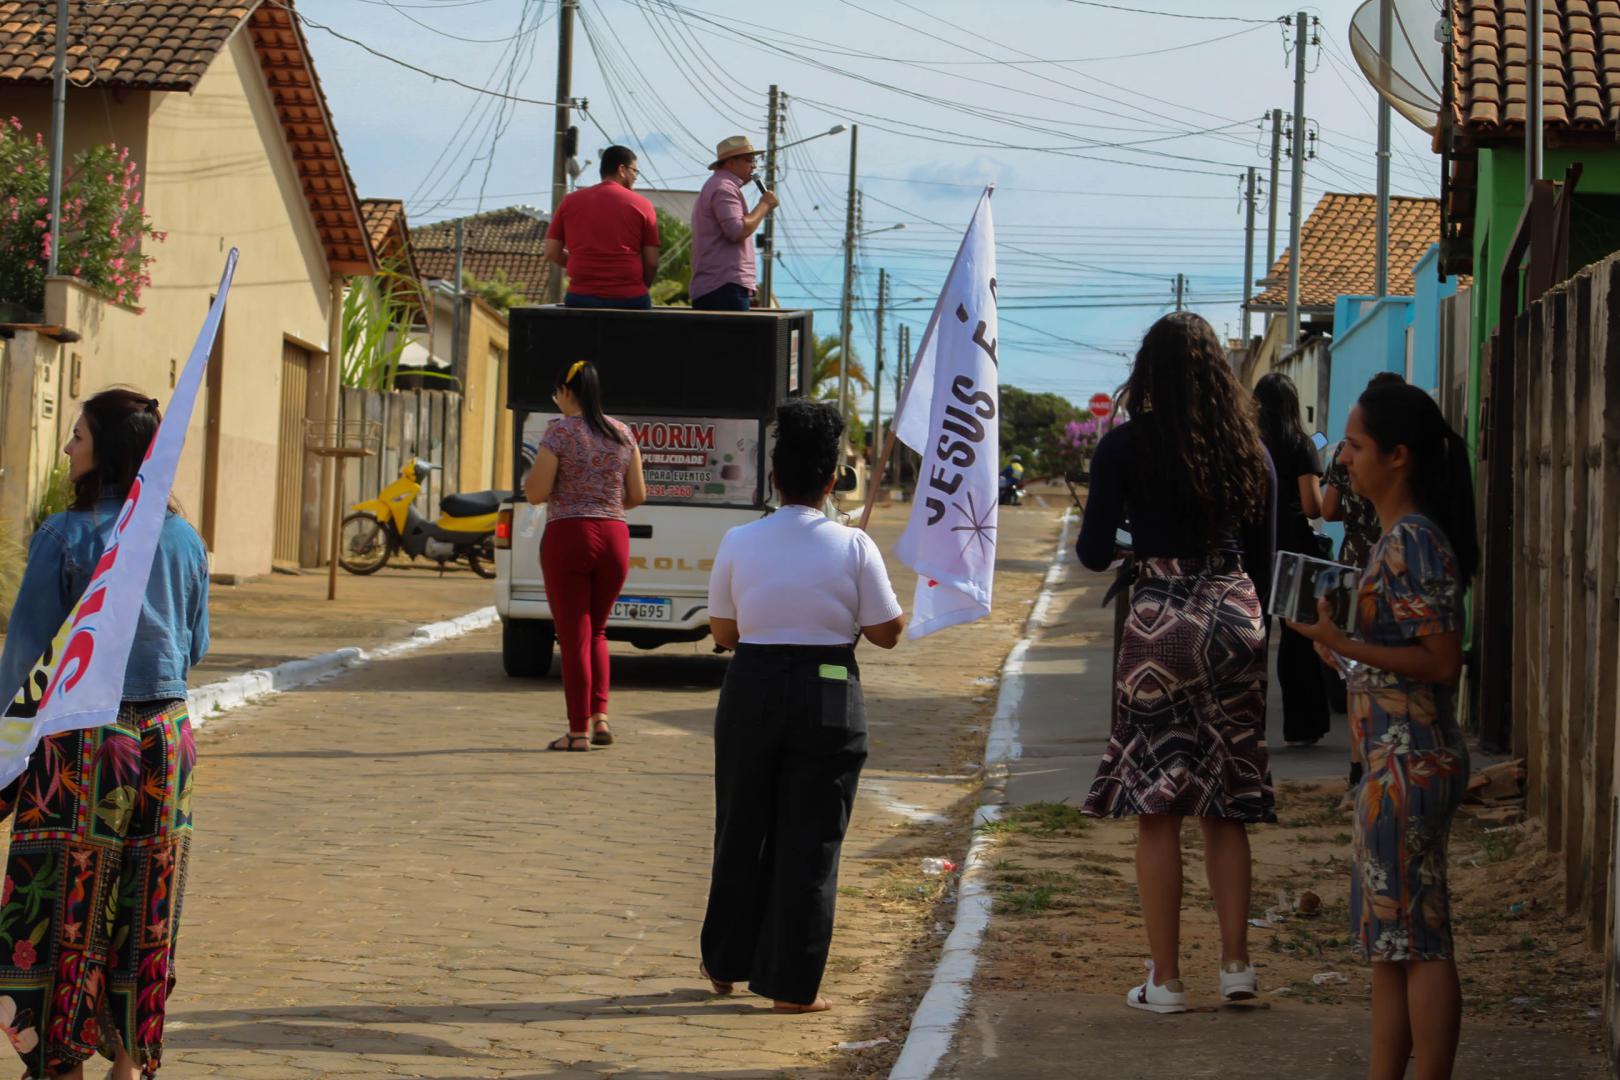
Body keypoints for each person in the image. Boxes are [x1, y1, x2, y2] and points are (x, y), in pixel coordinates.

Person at [0, 388, 209, 1080]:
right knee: (147, 904)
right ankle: (129, 1062)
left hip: (84, 744)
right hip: (168, 740)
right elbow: (195, 646)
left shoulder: (65, 536)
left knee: (64, 907)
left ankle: (59, 1064)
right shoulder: (184, 539)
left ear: (108, 452)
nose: (67, 450)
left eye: (78, 437)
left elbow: (26, 658)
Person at [1076, 312, 1276, 1014]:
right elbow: (1265, 558)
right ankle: (1237, 966)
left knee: (1158, 806)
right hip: (1235, 617)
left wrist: (1138, 538)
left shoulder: (1124, 446)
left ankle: (1164, 980)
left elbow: (1093, 552)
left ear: (1148, 373)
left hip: (1160, 621)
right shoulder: (1249, 449)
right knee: (1228, 801)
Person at [1287, 382, 1475, 1080]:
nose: (1343, 459)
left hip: (1410, 762)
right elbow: (1399, 657)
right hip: (1391, 759)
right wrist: (1339, 650)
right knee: (1390, 940)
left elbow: (1441, 661)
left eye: (1356, 446)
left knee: (1417, 937)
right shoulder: (1397, 537)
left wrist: (1348, 645)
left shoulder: (1415, 539)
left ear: (1398, 457)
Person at [699, 400, 904, 1013]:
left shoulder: (739, 540)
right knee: (812, 840)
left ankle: (724, 962)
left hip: (752, 685)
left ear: (773, 476)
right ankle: (790, 987)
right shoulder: (855, 545)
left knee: (741, 827)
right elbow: (888, 633)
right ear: (834, 480)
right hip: (829, 688)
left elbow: (724, 631)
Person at [522, 360, 647, 751]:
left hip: (569, 535)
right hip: (614, 536)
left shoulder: (559, 432)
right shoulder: (622, 432)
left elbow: (536, 493)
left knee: (573, 634)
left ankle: (577, 731)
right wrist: (603, 503)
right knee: (597, 631)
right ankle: (600, 717)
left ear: (565, 391)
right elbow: (637, 495)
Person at [1320, 370, 1405, 787]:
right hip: (1387, 561)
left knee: (1356, 670)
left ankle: (1357, 763)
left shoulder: (1343, 453)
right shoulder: (1404, 456)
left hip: (1354, 563)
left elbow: (1327, 510)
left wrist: (1354, 514)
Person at [1254, 372, 1331, 747]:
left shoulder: (1247, 446)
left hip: (1255, 551)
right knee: (1298, 641)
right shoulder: (1302, 444)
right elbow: (1312, 507)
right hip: (1294, 552)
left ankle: (1249, 728)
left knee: (1253, 640)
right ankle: (1302, 727)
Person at [544, 145, 661, 309]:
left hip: (580, 298)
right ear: (622, 170)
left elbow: (551, 252)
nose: (635, 177)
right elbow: (652, 262)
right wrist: (640, 288)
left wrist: (583, 263)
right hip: (630, 298)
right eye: (634, 171)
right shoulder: (642, 205)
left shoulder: (570, 201)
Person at [689, 136, 778, 311]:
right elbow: (737, 231)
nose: (754, 166)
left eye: (754, 161)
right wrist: (764, 205)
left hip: (720, 286)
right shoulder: (724, 188)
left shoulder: (719, 185)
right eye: (749, 160)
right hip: (724, 286)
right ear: (730, 162)